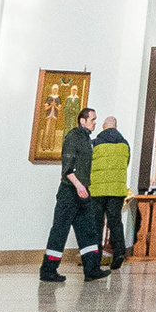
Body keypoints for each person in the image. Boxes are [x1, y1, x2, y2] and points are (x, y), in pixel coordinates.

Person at [40, 105, 105, 282]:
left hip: (83, 192)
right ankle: (48, 270)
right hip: (70, 192)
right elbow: (67, 167)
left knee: (88, 231)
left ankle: (91, 269)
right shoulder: (73, 137)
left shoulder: (87, 140)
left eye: (95, 120)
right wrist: (78, 185)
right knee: (60, 230)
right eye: (92, 120)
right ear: (82, 121)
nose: (95, 123)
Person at [87, 111, 131, 268]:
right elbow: (126, 163)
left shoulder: (95, 143)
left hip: (97, 189)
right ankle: (119, 252)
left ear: (104, 127)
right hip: (117, 190)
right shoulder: (124, 144)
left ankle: (95, 256)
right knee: (115, 221)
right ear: (116, 127)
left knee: (96, 223)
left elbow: (89, 164)